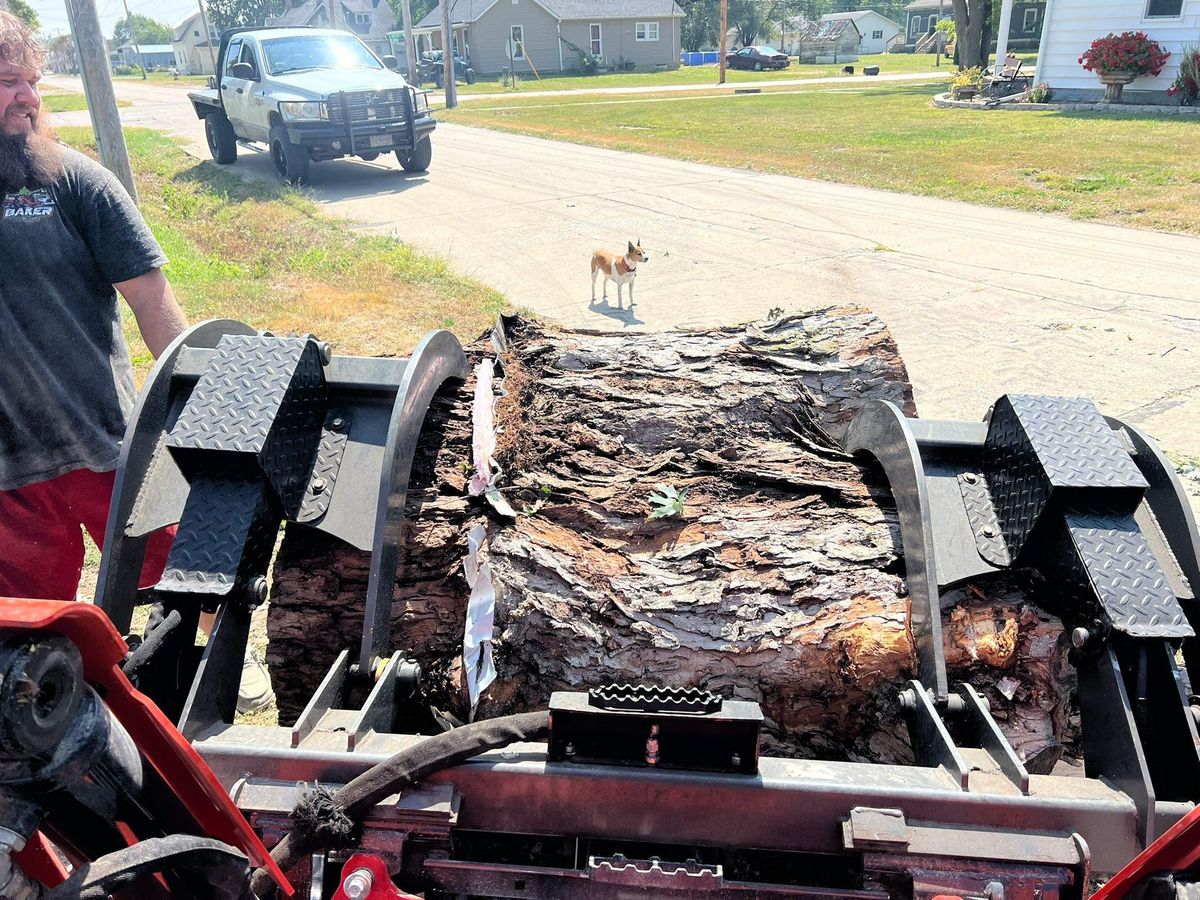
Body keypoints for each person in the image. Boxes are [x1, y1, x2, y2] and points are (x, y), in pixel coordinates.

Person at [0, 13, 273, 713]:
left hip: (111, 451)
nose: (26, 97)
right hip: (9, 484)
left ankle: (210, 693)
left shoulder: (73, 183)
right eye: (7, 83)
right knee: (27, 643)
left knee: (190, 585)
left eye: (32, 81)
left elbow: (155, 306)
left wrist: (216, 419)